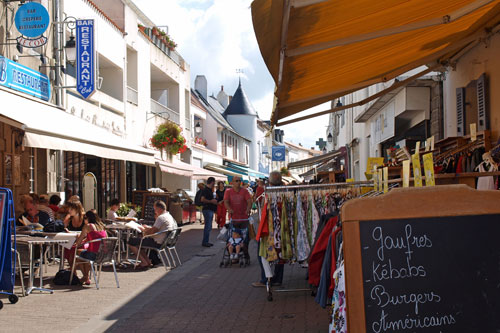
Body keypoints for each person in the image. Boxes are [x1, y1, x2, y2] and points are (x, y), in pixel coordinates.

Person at [252, 170, 285, 288]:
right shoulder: (286, 193)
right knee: (280, 253)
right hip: (284, 228)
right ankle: (277, 279)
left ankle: (266, 279)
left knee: (262, 253)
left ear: (270, 182)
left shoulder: (268, 194)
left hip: (269, 229)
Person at [128, 200, 177, 269]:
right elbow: (158, 229)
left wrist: (143, 230)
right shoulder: (168, 216)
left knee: (131, 241)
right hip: (166, 241)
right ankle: (147, 261)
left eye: (155, 209)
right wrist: (148, 228)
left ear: (159, 209)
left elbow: (152, 232)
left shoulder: (161, 217)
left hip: (158, 242)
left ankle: (144, 262)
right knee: (140, 242)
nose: (155, 212)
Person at [73, 210, 108, 285]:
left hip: (93, 255)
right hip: (104, 255)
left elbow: (79, 242)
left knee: (77, 253)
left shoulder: (88, 226)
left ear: (87, 218)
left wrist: (75, 243)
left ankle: (85, 276)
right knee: (85, 253)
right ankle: (86, 277)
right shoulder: (102, 226)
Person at [200, 177, 217, 247]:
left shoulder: (210, 190)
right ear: (212, 182)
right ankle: (205, 241)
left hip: (210, 209)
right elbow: (202, 199)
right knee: (208, 226)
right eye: (214, 182)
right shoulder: (205, 190)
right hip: (207, 209)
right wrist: (211, 201)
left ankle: (206, 241)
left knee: (209, 226)